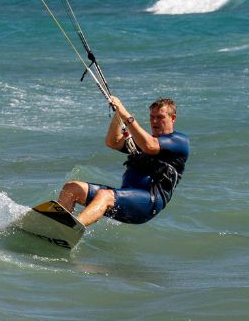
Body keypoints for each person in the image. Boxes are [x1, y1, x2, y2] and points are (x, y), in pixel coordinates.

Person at [57, 96, 189, 228]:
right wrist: (118, 116)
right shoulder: (143, 142)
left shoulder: (179, 141)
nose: (154, 121)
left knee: (105, 196)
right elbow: (112, 142)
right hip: (126, 198)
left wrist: (127, 116)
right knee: (71, 188)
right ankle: (56, 226)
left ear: (173, 118)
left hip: (148, 203)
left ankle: (70, 229)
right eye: (151, 117)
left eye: (160, 117)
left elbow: (150, 146)